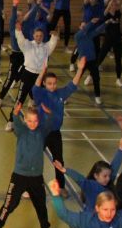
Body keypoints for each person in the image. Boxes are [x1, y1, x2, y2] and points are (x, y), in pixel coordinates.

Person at [0, 103, 54, 228]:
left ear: (39, 121)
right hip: (19, 176)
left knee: (41, 206)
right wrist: (16, 112)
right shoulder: (21, 131)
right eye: (29, 120)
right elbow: (16, 121)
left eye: (35, 121)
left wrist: (48, 113)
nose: (32, 123)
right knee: (9, 205)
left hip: (36, 177)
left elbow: (49, 124)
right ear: (25, 120)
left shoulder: (41, 132)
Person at [33, 63, 84, 193]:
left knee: (59, 160)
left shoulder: (60, 94)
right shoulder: (41, 94)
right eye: (49, 83)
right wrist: (43, 71)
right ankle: (30, 187)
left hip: (55, 133)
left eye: (54, 83)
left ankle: (61, 187)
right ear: (44, 83)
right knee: (35, 159)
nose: (52, 86)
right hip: (42, 133)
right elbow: (36, 87)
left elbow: (72, 85)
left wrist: (80, 69)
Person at [6, 2, 59, 112]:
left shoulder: (46, 47)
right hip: (27, 74)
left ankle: (40, 117)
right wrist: (18, 30)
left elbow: (52, 43)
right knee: (20, 99)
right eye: (37, 36)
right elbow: (20, 39)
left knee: (41, 99)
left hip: (41, 75)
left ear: (43, 37)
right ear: (33, 36)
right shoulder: (27, 45)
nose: (39, 37)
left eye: (41, 36)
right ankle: (12, 118)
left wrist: (54, 36)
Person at [94, 0, 122, 88]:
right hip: (108, 40)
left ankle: (118, 79)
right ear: (109, 5)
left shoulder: (118, 13)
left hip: (117, 40)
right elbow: (105, 11)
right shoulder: (106, 15)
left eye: (115, 5)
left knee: (118, 60)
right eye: (112, 5)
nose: (113, 6)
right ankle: (91, 75)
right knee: (100, 58)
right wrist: (112, 0)